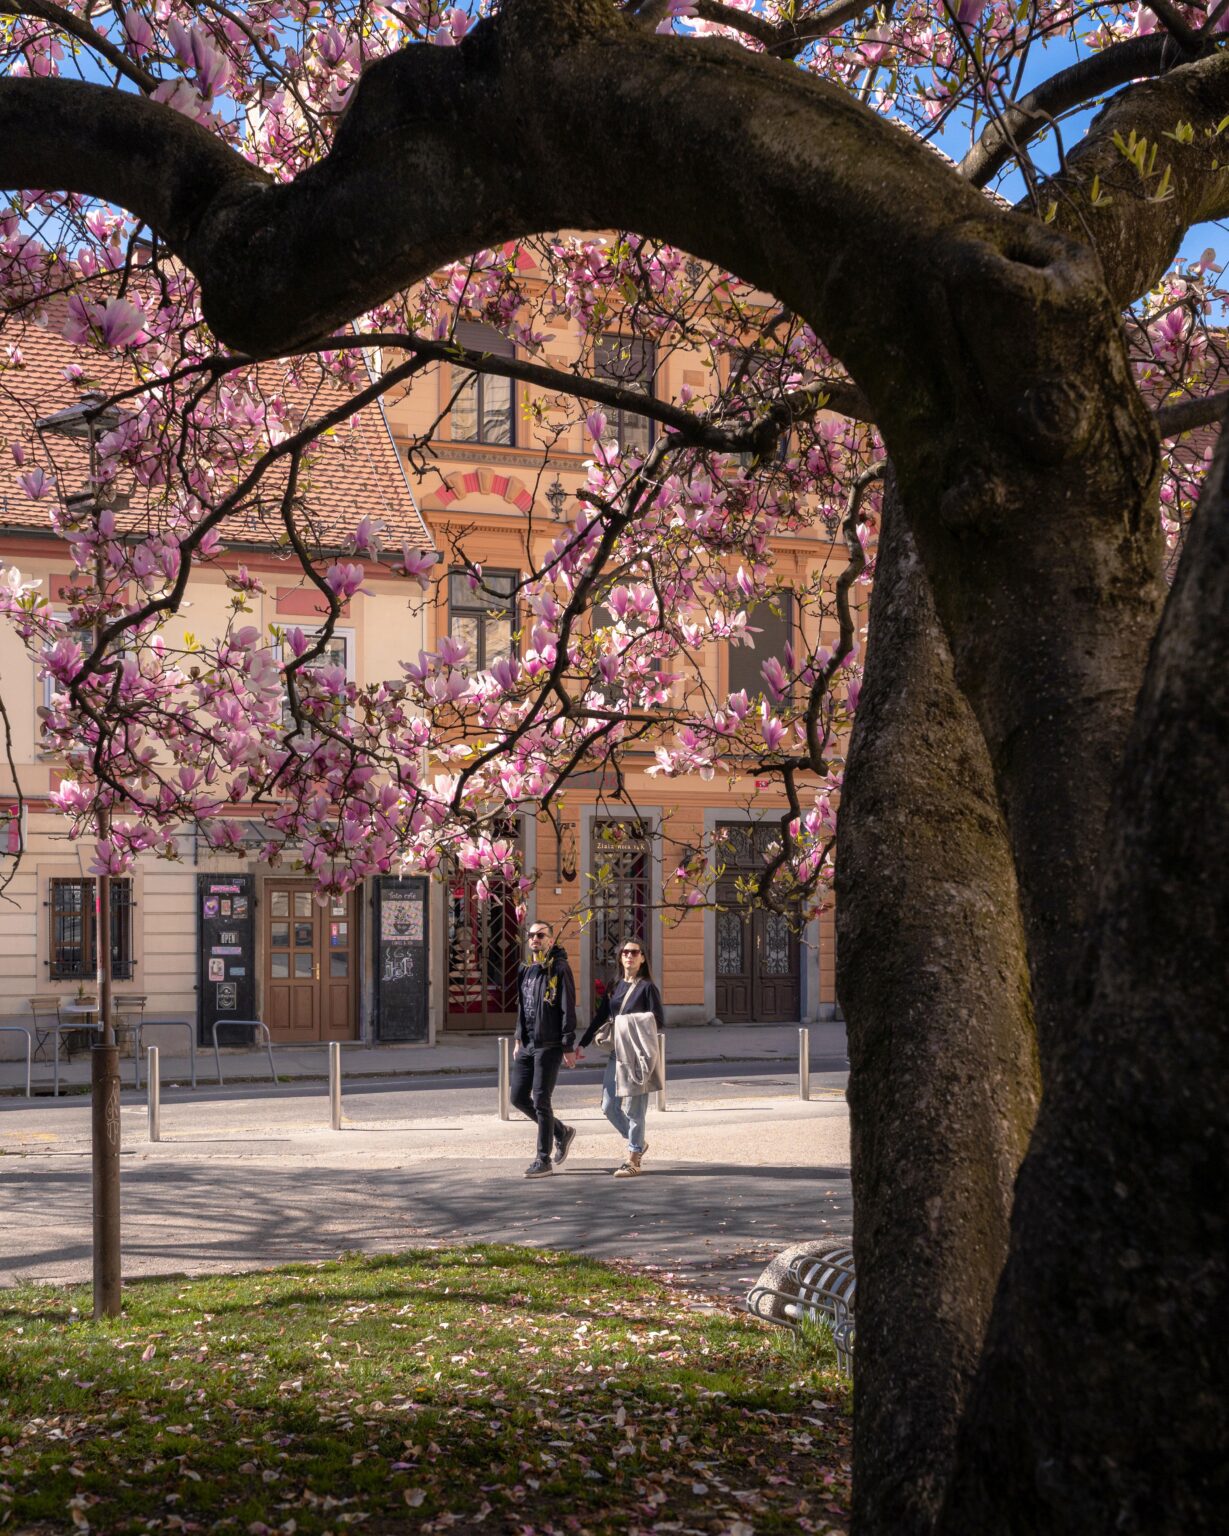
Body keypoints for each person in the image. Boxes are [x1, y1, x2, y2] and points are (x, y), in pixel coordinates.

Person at [574, 938, 664, 1177]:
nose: (629, 956)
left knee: (635, 1109)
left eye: (634, 952)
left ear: (642, 958)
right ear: (620, 957)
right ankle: (638, 1141)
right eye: (625, 952)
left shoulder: (647, 988)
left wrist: (627, 1023)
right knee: (608, 1106)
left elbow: (659, 1020)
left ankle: (634, 1158)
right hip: (617, 1053)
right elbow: (602, 1015)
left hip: (637, 1054)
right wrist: (581, 1043)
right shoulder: (614, 985)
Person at [511, 919, 578, 1178]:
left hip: (549, 1045)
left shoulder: (559, 969)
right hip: (527, 1044)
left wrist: (567, 1044)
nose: (535, 939)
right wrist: (518, 1038)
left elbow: (567, 1008)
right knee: (517, 1098)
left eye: (541, 935)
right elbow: (521, 1005)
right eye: (531, 935)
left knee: (541, 1100)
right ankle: (561, 1132)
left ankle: (543, 1159)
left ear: (551, 939)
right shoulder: (526, 969)